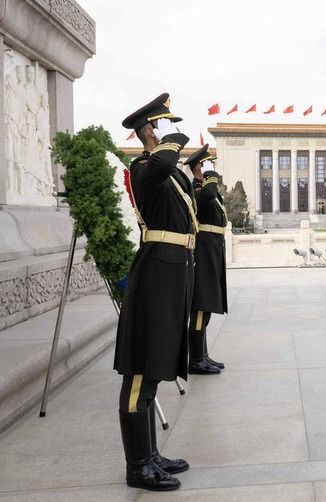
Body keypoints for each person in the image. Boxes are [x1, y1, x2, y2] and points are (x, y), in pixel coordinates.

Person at [115, 93, 196, 491]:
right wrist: (174, 138)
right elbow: (164, 160)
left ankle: (150, 454)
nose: (172, 135)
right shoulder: (143, 167)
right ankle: (137, 466)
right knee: (140, 372)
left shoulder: (171, 174)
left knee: (155, 365)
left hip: (173, 269)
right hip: (156, 272)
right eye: (163, 126)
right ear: (150, 130)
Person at [183, 144, 228, 374]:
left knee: (206, 308)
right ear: (199, 166)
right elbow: (209, 194)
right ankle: (196, 360)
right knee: (200, 308)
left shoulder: (204, 188)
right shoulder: (197, 189)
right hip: (204, 251)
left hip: (212, 250)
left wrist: (208, 175)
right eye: (207, 164)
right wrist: (208, 174)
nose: (213, 168)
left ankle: (203, 356)